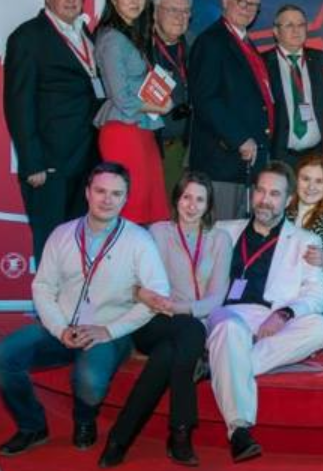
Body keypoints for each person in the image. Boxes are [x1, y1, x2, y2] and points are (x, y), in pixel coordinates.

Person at [0, 162, 169, 456]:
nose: (107, 199)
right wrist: (60, 329)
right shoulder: (62, 234)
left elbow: (157, 298)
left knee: (89, 381)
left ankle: (84, 419)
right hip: (59, 327)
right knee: (3, 356)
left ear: (126, 198)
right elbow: (43, 287)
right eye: (100, 190)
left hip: (108, 333)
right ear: (87, 192)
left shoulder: (140, 241)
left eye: (116, 193)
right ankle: (32, 426)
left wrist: (108, 330)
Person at [98, 171, 232, 467]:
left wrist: (180, 309)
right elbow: (141, 285)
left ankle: (120, 437)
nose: (192, 206)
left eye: (200, 199)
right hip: (152, 319)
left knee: (170, 353)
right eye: (186, 197)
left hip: (189, 321)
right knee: (188, 335)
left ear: (209, 205)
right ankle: (180, 434)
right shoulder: (158, 232)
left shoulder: (220, 239)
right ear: (176, 199)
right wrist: (166, 306)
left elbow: (216, 298)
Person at [206, 161, 323, 463]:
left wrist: (285, 314)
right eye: (260, 191)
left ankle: (219, 364)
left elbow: (318, 293)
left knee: (321, 328)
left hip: (272, 317)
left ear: (288, 200)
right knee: (228, 329)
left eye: (274, 194)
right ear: (252, 194)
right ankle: (239, 428)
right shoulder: (222, 231)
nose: (265, 199)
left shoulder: (305, 240)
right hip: (228, 313)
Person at [3, 0, 103, 263]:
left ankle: (77, 310)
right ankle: (49, 311)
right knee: (51, 250)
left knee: (80, 248)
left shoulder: (85, 34)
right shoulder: (28, 37)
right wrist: (32, 162)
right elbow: (18, 103)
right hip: (48, 166)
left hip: (86, 161)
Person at [189, 0, 274, 220]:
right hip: (223, 163)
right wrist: (238, 139)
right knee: (219, 238)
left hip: (245, 164)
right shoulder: (212, 42)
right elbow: (205, 99)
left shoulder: (244, 43)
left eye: (253, 5)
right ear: (225, 1)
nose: (247, 9)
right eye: (241, 2)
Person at [93, 0, 170, 224]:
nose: (135, 0)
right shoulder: (113, 39)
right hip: (123, 130)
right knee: (132, 207)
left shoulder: (131, 35)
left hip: (140, 127)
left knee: (152, 205)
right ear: (113, 0)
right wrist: (159, 108)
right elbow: (122, 98)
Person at [265, 4, 323, 167]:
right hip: (279, 156)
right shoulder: (262, 64)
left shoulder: (322, 61)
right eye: (289, 25)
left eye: (301, 25)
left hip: (316, 155)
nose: (296, 30)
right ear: (276, 31)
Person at [150, 0, 194, 194]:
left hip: (184, 149)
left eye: (185, 11)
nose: (180, 17)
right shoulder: (140, 48)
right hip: (151, 147)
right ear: (155, 11)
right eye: (173, 10)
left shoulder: (193, 46)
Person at [287, 154, 323, 292]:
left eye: (319, 181)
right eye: (305, 179)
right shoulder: (280, 214)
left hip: (310, 295)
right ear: (296, 180)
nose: (311, 187)